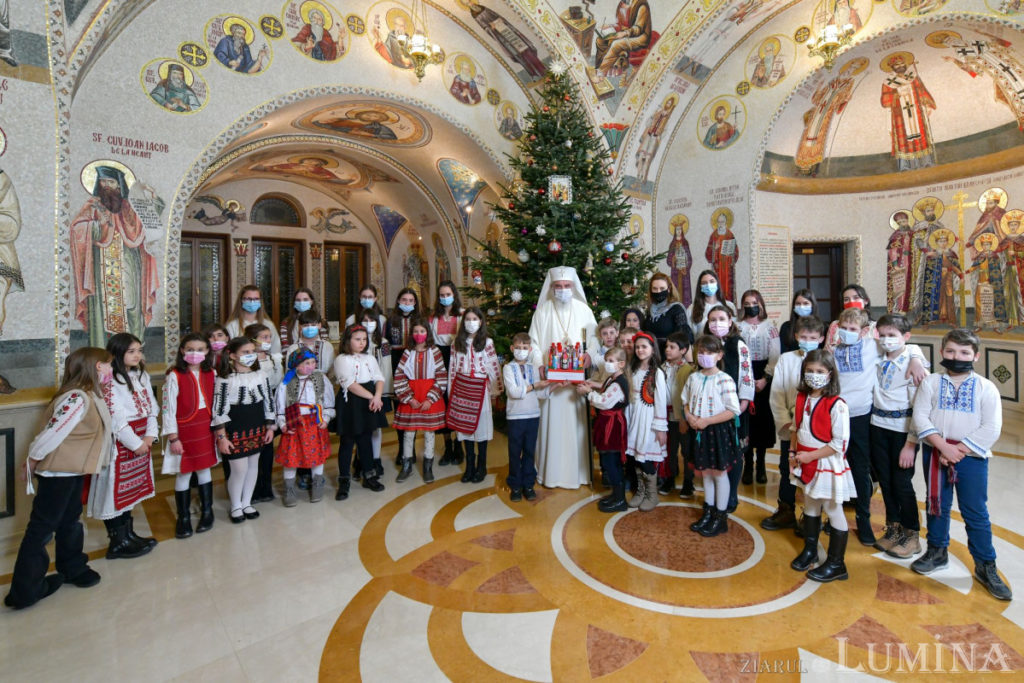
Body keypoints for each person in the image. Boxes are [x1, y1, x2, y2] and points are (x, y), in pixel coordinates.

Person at [4, 348, 111, 610]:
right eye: (109, 365)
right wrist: (32, 460)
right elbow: (53, 433)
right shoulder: (76, 398)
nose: (111, 369)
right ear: (98, 366)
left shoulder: (88, 394)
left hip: (72, 471)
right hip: (58, 474)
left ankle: (72, 567)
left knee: (70, 520)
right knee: (41, 529)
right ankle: (25, 591)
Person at [909, 328, 1011, 601]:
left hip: (971, 457)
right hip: (936, 451)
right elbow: (920, 416)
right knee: (936, 504)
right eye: (951, 351)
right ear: (942, 352)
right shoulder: (931, 383)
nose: (957, 357)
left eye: (964, 352)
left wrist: (959, 450)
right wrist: (943, 447)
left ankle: (985, 565)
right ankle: (937, 551)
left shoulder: (986, 388)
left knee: (975, 511)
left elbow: (991, 427)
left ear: (976, 356)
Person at [833, 307, 927, 545]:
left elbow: (906, 345)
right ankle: (837, 517)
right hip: (850, 418)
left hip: (867, 418)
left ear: (864, 331)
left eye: (853, 329)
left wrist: (917, 358)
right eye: (843, 328)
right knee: (850, 470)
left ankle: (869, 522)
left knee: (869, 471)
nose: (847, 332)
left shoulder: (872, 347)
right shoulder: (835, 351)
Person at [70, 165, 159, 347]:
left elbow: (146, 225)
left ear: (119, 185)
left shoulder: (128, 207)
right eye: (103, 181)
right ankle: (102, 349)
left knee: (131, 304)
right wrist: (96, 226)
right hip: (101, 267)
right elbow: (77, 228)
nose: (106, 186)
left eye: (110, 182)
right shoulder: (93, 205)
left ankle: (132, 348)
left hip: (128, 265)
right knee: (102, 308)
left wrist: (151, 198)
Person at [788, 349, 855, 583]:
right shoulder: (801, 397)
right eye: (810, 370)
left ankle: (837, 563)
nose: (814, 375)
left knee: (832, 508)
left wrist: (810, 456)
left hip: (825, 461)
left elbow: (839, 444)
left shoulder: (837, 405)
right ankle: (811, 550)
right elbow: (795, 428)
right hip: (804, 459)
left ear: (830, 374)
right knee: (810, 503)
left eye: (819, 371)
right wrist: (793, 452)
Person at [90, 333, 159, 559]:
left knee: (131, 492)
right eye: (131, 351)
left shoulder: (141, 375)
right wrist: (135, 443)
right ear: (118, 353)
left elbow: (152, 408)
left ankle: (128, 535)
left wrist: (149, 436)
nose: (137, 355)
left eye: (139, 350)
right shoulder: (109, 380)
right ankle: (117, 541)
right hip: (120, 443)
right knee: (114, 490)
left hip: (142, 438)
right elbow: (115, 418)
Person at [529, 266, 598, 489]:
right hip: (552, 383)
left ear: (573, 286)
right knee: (552, 427)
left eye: (567, 285)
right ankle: (551, 473)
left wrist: (589, 355)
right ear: (551, 288)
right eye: (558, 286)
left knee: (575, 428)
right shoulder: (542, 312)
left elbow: (595, 339)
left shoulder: (584, 310)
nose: (563, 289)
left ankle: (578, 474)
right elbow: (533, 344)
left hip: (576, 385)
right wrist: (539, 365)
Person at [762, 315, 826, 531]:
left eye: (813, 338)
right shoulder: (786, 359)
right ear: (796, 336)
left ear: (821, 338)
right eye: (804, 337)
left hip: (815, 429)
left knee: (813, 470)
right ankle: (786, 509)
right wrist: (785, 423)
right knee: (786, 467)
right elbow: (777, 393)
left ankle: (812, 515)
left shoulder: (825, 359)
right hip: (790, 426)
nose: (808, 341)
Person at [869, 314, 922, 559]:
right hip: (877, 425)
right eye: (882, 335)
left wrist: (911, 443)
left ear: (906, 337)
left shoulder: (913, 363)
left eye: (892, 335)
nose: (886, 340)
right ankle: (893, 527)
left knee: (902, 482)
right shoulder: (877, 357)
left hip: (902, 430)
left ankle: (912, 534)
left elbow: (920, 408)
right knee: (886, 481)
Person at [683, 334, 742, 537]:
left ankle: (720, 517)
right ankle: (708, 511)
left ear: (719, 355)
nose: (704, 356)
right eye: (701, 352)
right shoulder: (694, 377)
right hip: (698, 429)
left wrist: (707, 421)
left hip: (717, 431)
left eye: (709, 352)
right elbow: (685, 401)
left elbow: (733, 410)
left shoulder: (724, 379)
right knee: (705, 472)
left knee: (719, 473)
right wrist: (689, 416)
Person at [211, 337, 275, 524]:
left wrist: (270, 426)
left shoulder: (261, 375)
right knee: (239, 469)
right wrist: (222, 437)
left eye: (252, 352)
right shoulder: (225, 379)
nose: (250, 355)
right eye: (245, 352)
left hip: (256, 424)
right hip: (236, 427)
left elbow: (268, 401)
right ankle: (236, 505)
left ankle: (247, 502)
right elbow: (219, 409)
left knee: (253, 465)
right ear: (232, 355)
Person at [161, 334, 218, 539]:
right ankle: (183, 517)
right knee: (184, 472)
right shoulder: (174, 375)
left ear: (207, 351)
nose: (195, 353)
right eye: (190, 349)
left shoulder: (211, 373)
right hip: (184, 429)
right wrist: (173, 437)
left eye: (200, 349)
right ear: (182, 351)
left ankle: (207, 512)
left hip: (205, 426)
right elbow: (168, 409)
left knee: (204, 469)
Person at [704, 306, 754, 512]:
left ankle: (731, 494)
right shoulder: (705, 344)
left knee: (735, 451)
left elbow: (746, 375)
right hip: (711, 410)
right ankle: (716, 495)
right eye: (713, 319)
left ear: (730, 321)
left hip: (735, 408)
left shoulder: (738, 344)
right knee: (715, 450)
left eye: (721, 319)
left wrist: (742, 404)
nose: (717, 323)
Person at [334, 325, 388, 499]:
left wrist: (377, 396)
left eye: (364, 339)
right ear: (347, 340)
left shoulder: (369, 358)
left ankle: (369, 475)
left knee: (366, 439)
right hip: (351, 402)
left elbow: (379, 377)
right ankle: (344, 481)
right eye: (357, 339)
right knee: (347, 442)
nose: (362, 343)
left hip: (369, 401)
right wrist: (372, 397)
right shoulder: (342, 359)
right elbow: (349, 384)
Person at [276, 348, 335, 506]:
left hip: (315, 422)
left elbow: (328, 401)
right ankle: (289, 489)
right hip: (295, 423)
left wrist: (326, 418)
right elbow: (280, 405)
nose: (311, 366)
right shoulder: (286, 382)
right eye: (307, 363)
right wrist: (282, 423)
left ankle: (317, 484)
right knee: (291, 458)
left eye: (313, 362)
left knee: (317, 456)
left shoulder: (321, 378)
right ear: (297, 365)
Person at [449, 308, 501, 484]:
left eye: (474, 319)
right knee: (465, 428)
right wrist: (451, 391)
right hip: (462, 389)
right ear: (463, 322)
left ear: (480, 321)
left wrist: (495, 390)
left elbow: (493, 365)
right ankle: (469, 466)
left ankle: (482, 466)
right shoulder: (456, 343)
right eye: (468, 319)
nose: (471, 322)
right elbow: (452, 368)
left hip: (480, 389)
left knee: (481, 428)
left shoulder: (487, 342)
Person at [393, 321, 447, 484]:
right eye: (415, 331)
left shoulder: (435, 351)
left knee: (429, 433)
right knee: (409, 433)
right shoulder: (407, 352)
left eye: (422, 331)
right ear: (411, 334)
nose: (419, 334)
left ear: (427, 333)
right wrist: (409, 398)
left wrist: (431, 399)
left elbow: (441, 375)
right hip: (412, 396)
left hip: (429, 396)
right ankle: (407, 465)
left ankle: (428, 467)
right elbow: (399, 375)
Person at [578, 347, 630, 512]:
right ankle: (616, 494)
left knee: (612, 461)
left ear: (621, 364)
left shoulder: (619, 383)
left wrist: (588, 393)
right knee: (609, 460)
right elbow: (604, 390)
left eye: (611, 361)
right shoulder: (612, 378)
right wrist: (591, 386)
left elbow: (604, 402)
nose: (607, 363)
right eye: (606, 360)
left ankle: (620, 499)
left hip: (612, 425)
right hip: (607, 422)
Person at [624, 332, 668, 512]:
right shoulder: (633, 369)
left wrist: (660, 428)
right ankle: (641, 490)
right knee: (635, 456)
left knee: (645, 458)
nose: (640, 350)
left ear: (653, 349)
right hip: (633, 416)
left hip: (648, 420)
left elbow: (661, 402)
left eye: (644, 346)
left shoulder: (657, 373)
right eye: (637, 347)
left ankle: (652, 493)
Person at [738, 290, 779, 485]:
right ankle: (748, 464)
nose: (751, 306)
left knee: (762, 422)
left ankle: (761, 464)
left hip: (763, 376)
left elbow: (775, 355)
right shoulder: (738, 327)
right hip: (743, 373)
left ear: (761, 304)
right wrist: (745, 380)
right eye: (747, 303)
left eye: (754, 303)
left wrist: (765, 378)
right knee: (747, 421)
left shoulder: (770, 327)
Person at [505, 333, 550, 502]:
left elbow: (540, 393)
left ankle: (528, 484)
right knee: (515, 452)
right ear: (512, 348)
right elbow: (514, 392)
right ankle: (516, 485)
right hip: (515, 417)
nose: (521, 351)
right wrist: (534, 385)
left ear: (530, 350)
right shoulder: (508, 368)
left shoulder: (533, 368)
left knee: (530, 451)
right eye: (518, 348)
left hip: (533, 415)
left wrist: (555, 385)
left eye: (524, 348)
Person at [244, 322, 283, 502]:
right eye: (264, 337)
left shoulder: (274, 359)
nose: (268, 340)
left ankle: (265, 487)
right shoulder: (247, 361)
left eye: (269, 337)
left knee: (267, 447)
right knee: (252, 448)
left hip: (272, 402)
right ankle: (251, 490)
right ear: (252, 340)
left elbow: (280, 382)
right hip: (255, 404)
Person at [879, 53, 936, 170]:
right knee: (904, 140)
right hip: (900, 116)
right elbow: (885, 100)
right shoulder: (888, 82)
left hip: (917, 113)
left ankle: (926, 162)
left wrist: (927, 104)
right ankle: (906, 166)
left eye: (902, 63)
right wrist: (897, 93)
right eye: (897, 65)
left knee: (922, 137)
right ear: (892, 67)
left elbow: (921, 90)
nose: (900, 66)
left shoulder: (913, 77)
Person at [387, 287, 422, 468]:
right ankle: (402, 449)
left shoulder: (420, 321)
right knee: (399, 411)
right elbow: (385, 346)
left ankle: (411, 449)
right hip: (395, 366)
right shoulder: (390, 321)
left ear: (415, 303)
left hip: (414, 368)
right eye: (404, 300)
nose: (407, 303)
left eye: (410, 300)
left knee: (411, 410)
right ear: (399, 301)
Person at [430, 280, 462, 467]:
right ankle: (447, 445)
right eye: (441, 295)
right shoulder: (433, 318)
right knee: (443, 403)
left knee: (456, 402)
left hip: (457, 359)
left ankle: (459, 445)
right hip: (439, 360)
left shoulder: (463, 315)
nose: (445, 298)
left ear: (454, 295)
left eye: (448, 294)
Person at [658, 331, 691, 495]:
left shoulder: (688, 370)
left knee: (686, 451)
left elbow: (688, 397)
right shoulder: (661, 368)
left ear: (683, 350)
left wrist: (684, 419)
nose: (667, 350)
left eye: (672, 347)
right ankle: (670, 479)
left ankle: (688, 482)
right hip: (666, 417)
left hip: (682, 417)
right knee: (670, 450)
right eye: (666, 346)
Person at [641, 273, 692, 358]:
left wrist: (690, 362)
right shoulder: (650, 311)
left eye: (662, 288)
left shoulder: (676, 309)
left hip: (670, 357)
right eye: (655, 289)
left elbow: (684, 338)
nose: (658, 292)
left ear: (669, 289)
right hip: (651, 357)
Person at [225, 285, 281, 354]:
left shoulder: (268, 324)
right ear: (241, 300)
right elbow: (228, 351)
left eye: (256, 299)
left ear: (260, 301)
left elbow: (276, 350)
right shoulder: (232, 325)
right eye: (248, 299)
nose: (252, 302)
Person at [824, 284, 875, 351]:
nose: (851, 302)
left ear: (866, 301)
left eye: (856, 298)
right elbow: (826, 350)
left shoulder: (875, 326)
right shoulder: (835, 325)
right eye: (846, 299)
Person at [689, 270, 736, 339]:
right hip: (702, 343)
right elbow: (690, 334)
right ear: (700, 287)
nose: (708, 285)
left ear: (717, 283)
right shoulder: (692, 308)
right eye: (704, 283)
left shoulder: (729, 306)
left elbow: (734, 329)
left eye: (712, 281)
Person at [779, 289, 817, 354]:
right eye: (798, 304)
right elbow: (783, 351)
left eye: (805, 303)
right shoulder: (786, 326)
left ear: (812, 305)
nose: (801, 306)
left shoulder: (821, 326)